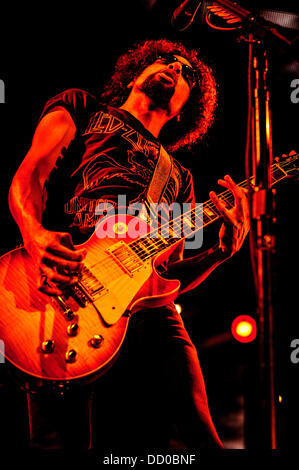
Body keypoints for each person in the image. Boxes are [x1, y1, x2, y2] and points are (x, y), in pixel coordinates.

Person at [8, 39, 249, 450]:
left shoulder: (179, 179)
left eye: (185, 73)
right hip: (59, 285)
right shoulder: (81, 106)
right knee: (57, 442)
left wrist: (218, 255)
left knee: (198, 434)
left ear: (184, 108)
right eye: (164, 59)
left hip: (145, 313)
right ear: (134, 72)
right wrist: (34, 235)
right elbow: (31, 173)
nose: (173, 66)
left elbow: (165, 278)